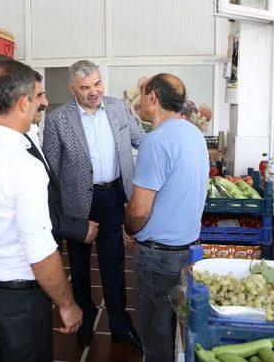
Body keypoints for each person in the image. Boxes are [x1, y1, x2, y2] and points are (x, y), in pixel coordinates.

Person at [0, 60, 83, 362]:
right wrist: (66, 303)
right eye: (38, 96)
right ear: (23, 103)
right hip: (20, 304)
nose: (44, 102)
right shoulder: (25, 167)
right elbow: (40, 251)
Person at [43, 60, 145, 350]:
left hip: (113, 196)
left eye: (97, 84)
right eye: (85, 87)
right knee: (79, 265)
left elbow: (141, 139)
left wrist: (172, 137)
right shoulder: (58, 118)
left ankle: (120, 325)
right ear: (72, 88)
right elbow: (51, 168)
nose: (93, 91)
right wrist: (58, 213)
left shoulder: (117, 108)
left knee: (113, 264)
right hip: (76, 203)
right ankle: (86, 320)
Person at [124, 73, 209, 362]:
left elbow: (138, 211)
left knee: (156, 335)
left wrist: (129, 228)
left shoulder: (155, 142)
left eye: (144, 93)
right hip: (189, 251)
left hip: (158, 257)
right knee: (181, 332)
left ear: (152, 98)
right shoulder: (194, 134)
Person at [25, 72, 99, 245]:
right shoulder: (15, 149)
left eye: (97, 84)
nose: (46, 102)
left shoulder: (30, 133)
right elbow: (32, 209)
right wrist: (73, 227)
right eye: (39, 96)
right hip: (30, 255)